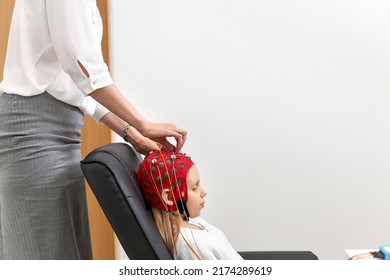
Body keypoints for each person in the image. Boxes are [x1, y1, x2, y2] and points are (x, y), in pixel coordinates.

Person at [0, 0, 186, 260]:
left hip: (58, 130)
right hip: (34, 130)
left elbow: (75, 86)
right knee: (44, 259)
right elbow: (81, 66)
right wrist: (142, 123)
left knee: (65, 254)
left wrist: (130, 131)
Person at [137, 151, 243, 260]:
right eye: (194, 188)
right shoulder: (191, 245)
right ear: (169, 198)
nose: (204, 192)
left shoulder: (191, 221)